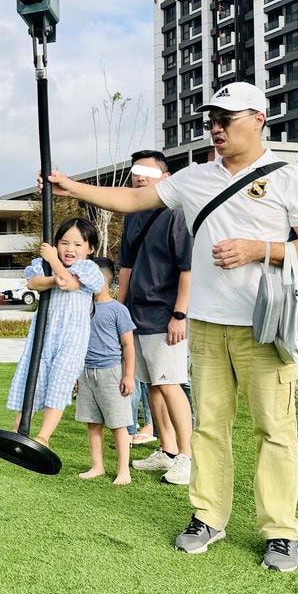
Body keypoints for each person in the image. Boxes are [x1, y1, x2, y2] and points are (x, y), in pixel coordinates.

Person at [48, 81, 298, 572]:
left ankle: (280, 532)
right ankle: (208, 516)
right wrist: (71, 186)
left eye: (226, 119)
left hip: (265, 325)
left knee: (275, 430)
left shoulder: (290, 178)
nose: (216, 128)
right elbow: (133, 202)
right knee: (210, 429)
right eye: (211, 120)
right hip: (206, 326)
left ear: (258, 119)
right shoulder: (196, 177)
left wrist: (260, 249)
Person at [118, 150, 196, 486]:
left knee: (170, 383)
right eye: (135, 171)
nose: (138, 177)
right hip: (136, 314)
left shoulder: (177, 213)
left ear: (165, 179)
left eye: (146, 172)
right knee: (152, 383)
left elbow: (187, 269)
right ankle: (165, 449)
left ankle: (186, 455)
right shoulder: (132, 213)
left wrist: (179, 314)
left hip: (165, 315)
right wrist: (119, 310)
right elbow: (125, 266)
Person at [6, 218, 103, 445]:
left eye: (78, 245)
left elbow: (68, 283)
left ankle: (43, 436)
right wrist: (52, 274)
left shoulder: (89, 268)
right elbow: (33, 283)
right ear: (56, 243)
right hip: (45, 333)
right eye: (64, 242)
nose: (69, 249)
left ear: (90, 249)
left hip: (72, 337)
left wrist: (52, 260)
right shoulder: (44, 264)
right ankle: (19, 430)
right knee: (34, 378)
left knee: (60, 381)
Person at [76, 257, 136, 485]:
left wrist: (128, 375)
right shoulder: (83, 308)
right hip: (86, 373)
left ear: (101, 280)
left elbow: (128, 345)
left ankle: (123, 471)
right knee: (93, 422)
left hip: (111, 373)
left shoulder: (117, 310)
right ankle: (97, 466)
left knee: (118, 424)